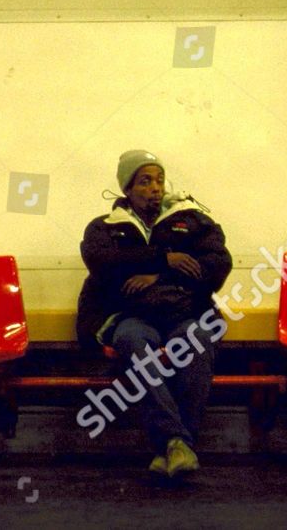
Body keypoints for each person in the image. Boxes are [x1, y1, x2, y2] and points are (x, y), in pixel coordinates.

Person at [76, 149, 232, 479]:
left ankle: (173, 445)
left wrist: (159, 275)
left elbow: (217, 264)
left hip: (185, 312)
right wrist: (165, 258)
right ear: (127, 189)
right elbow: (104, 264)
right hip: (131, 315)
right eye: (145, 181)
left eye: (159, 180)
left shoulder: (193, 221)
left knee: (198, 338)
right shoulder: (105, 228)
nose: (155, 188)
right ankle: (178, 443)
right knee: (132, 340)